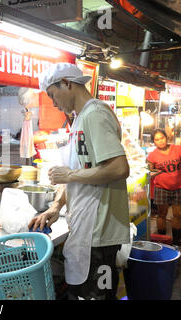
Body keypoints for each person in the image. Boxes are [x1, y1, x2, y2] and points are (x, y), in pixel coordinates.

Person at [29, 63, 130, 300]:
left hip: (100, 232)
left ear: (67, 83)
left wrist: (69, 176)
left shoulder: (95, 114)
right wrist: (56, 206)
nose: (53, 103)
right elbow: (79, 170)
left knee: (98, 296)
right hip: (86, 229)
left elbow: (119, 167)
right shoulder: (78, 121)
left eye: (53, 95)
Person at [147, 129, 181, 245]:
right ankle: (161, 241)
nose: (160, 141)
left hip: (178, 186)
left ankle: (176, 241)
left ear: (166, 137)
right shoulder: (152, 155)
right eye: (157, 139)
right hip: (161, 188)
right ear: (153, 142)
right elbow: (150, 171)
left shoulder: (177, 149)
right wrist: (153, 171)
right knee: (162, 214)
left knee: (178, 214)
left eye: (162, 138)